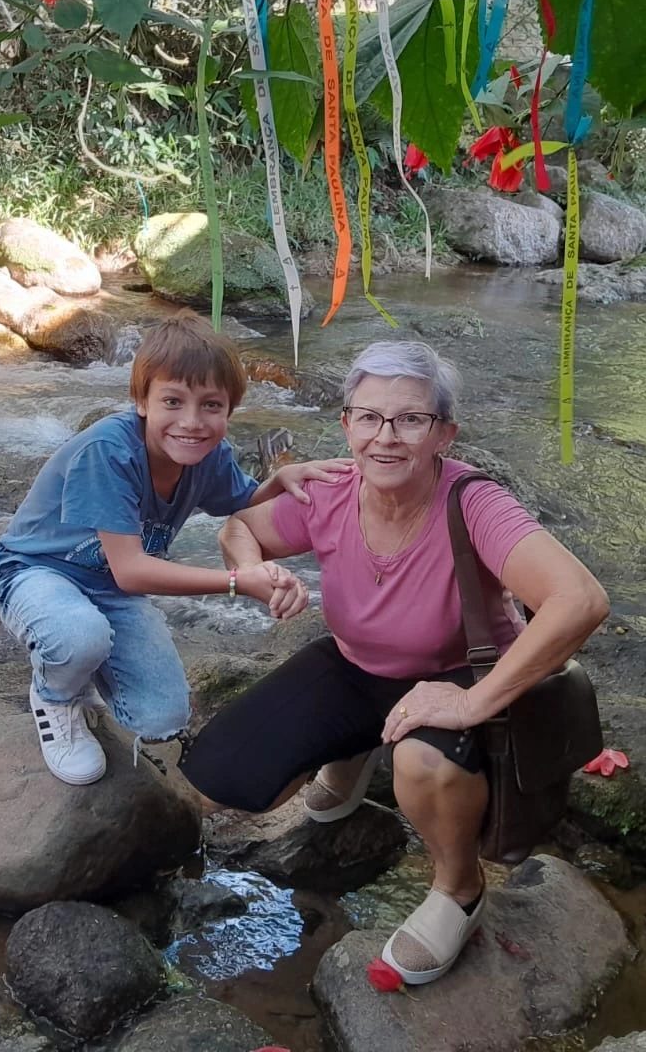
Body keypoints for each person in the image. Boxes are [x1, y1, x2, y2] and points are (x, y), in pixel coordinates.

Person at [179, 340, 609, 985]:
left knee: (422, 759)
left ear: (444, 434)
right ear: (347, 424)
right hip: (357, 665)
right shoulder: (326, 492)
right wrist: (251, 572)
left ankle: (457, 889)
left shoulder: (476, 505)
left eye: (410, 419)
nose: (387, 437)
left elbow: (580, 599)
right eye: (370, 417)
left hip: (461, 670)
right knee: (222, 773)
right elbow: (240, 526)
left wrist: (471, 701)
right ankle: (350, 759)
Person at [0, 312, 345, 786]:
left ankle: (81, 669)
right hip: (36, 573)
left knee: (161, 718)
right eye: (172, 401)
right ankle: (53, 695)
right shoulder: (109, 453)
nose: (191, 423)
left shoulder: (208, 455)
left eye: (211, 406)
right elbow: (133, 572)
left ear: (230, 409)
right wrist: (239, 581)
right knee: (77, 636)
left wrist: (279, 480)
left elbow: (242, 502)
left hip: (110, 589)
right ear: (141, 400)